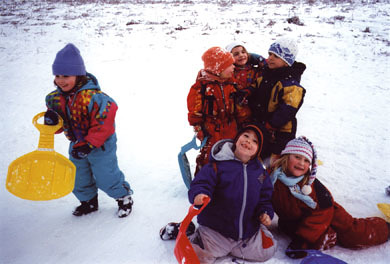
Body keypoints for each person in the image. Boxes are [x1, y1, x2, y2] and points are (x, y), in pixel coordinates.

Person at [161, 124, 277, 263]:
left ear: (258, 150)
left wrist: (265, 213)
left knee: (268, 250)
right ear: (236, 138)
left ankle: (249, 240)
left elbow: (265, 198)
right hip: (216, 232)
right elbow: (201, 183)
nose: (248, 141)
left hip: (247, 233)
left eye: (255, 141)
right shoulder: (218, 166)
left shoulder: (260, 173)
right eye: (245, 136)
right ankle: (191, 233)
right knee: (195, 258)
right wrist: (200, 194)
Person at [44, 43, 134, 218]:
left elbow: (104, 124)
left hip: (100, 145)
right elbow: (59, 125)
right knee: (78, 176)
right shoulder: (55, 98)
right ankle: (89, 201)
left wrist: (90, 144)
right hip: (77, 144)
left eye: (66, 75)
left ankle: (123, 197)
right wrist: (52, 121)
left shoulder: (95, 98)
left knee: (106, 175)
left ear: (78, 75)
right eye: (57, 75)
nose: (61, 80)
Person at [270, 137, 390, 259]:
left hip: (330, 214)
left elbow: (322, 212)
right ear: (286, 156)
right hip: (305, 218)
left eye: (306, 160)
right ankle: (327, 234)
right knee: (316, 239)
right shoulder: (272, 178)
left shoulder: (310, 186)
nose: (301, 163)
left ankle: (385, 227)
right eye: (297, 157)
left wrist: (302, 240)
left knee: (355, 234)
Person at [187, 46, 250, 175]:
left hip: (231, 127)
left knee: (233, 154)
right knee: (209, 157)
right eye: (230, 65)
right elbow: (194, 111)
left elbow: (239, 106)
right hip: (211, 130)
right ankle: (203, 182)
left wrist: (244, 120)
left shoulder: (232, 84)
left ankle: (230, 180)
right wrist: (198, 127)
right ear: (218, 68)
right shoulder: (202, 88)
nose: (234, 67)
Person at [248, 37, 306, 165]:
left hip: (281, 131)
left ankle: (275, 176)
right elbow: (255, 87)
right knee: (260, 152)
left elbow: (287, 109)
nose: (270, 58)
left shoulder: (291, 85)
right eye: (270, 54)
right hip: (263, 125)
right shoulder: (266, 74)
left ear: (286, 62)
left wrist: (272, 124)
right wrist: (247, 93)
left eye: (276, 56)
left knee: (275, 157)